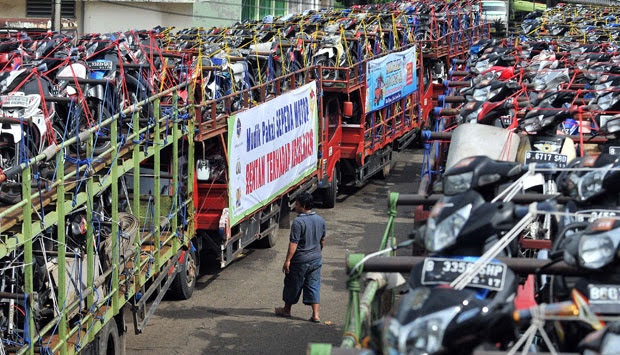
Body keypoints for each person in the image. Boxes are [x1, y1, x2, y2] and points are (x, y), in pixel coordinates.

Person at [274, 192, 326, 323]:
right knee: (313, 285)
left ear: (303, 206)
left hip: (300, 261)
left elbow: (293, 244)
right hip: (316, 259)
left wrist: (288, 261)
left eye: (296, 204)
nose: (295, 206)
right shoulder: (320, 220)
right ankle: (315, 314)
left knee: (292, 284)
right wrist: (318, 252)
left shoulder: (298, 222)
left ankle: (286, 310)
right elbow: (322, 240)